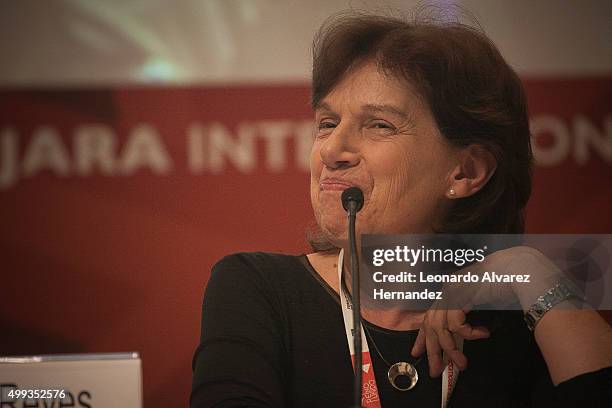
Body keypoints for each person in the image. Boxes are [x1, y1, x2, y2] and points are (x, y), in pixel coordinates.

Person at [190, 12, 612, 407]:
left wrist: (531, 269)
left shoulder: (519, 319)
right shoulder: (257, 288)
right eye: (327, 123)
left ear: (465, 172)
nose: (332, 150)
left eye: (379, 125)